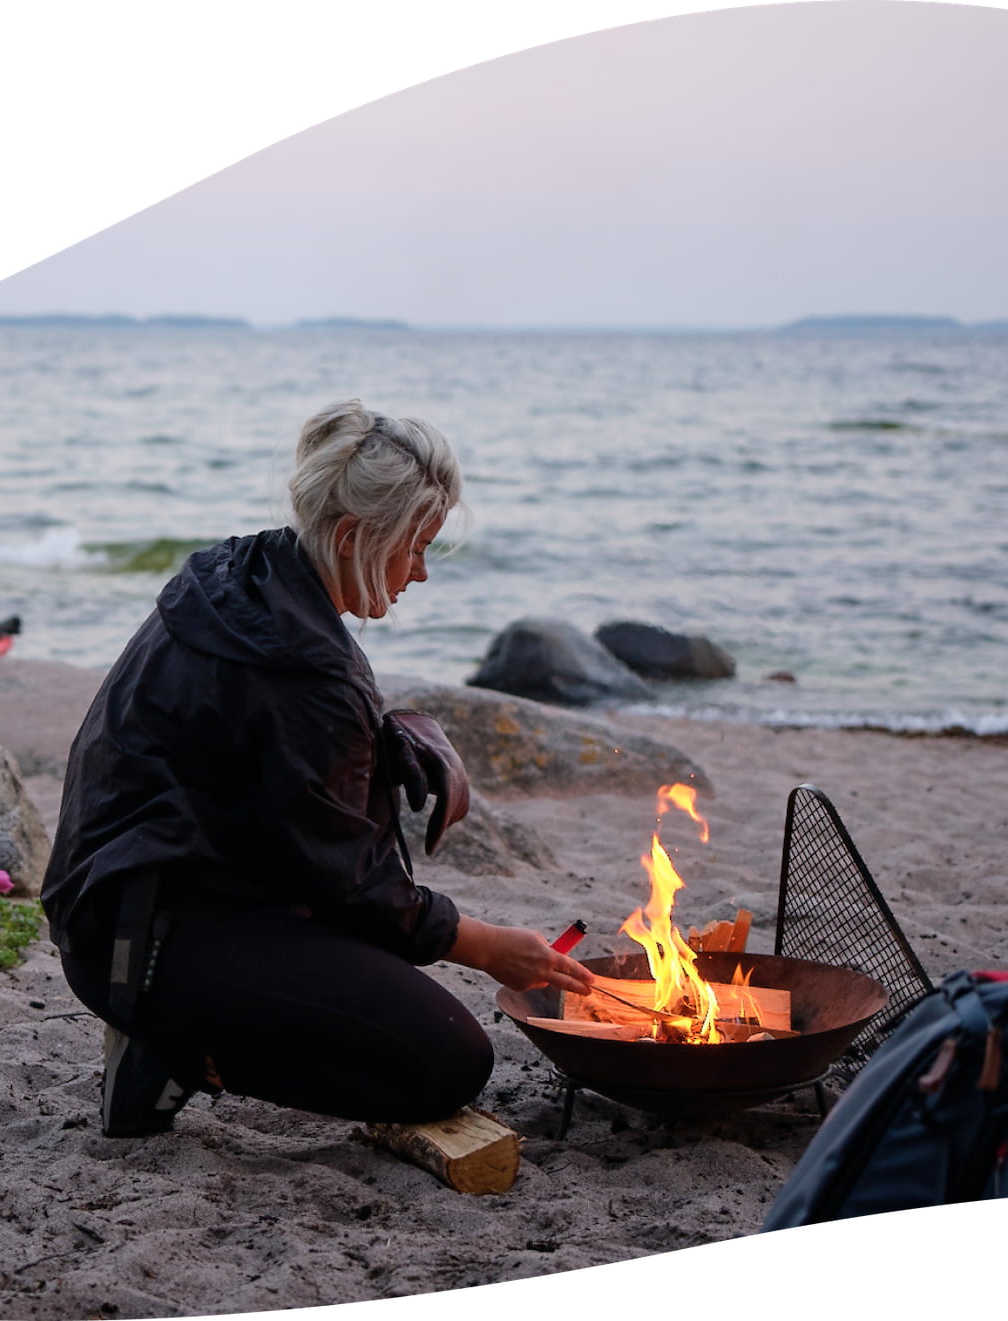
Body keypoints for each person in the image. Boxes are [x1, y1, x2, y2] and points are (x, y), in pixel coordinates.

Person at [41, 399, 596, 1138]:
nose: (420, 573)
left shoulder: (241, 575)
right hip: (140, 947)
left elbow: (284, 811)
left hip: (110, 903)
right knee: (450, 1060)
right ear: (350, 535)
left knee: (380, 981)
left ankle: (180, 1028)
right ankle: (172, 1051)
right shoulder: (302, 667)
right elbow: (354, 887)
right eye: (414, 547)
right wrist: (490, 945)